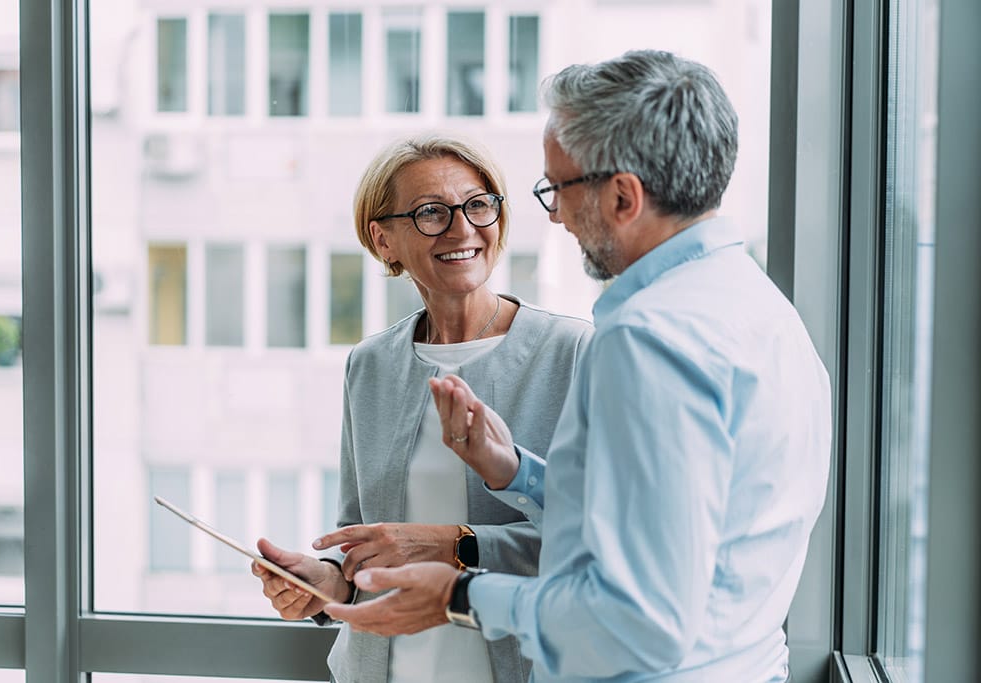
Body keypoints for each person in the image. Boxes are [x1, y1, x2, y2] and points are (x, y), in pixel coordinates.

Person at [322, 50, 832, 683]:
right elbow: (659, 522)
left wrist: (456, 596)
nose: (556, 215)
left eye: (559, 188)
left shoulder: (649, 341)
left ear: (622, 196)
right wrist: (516, 475)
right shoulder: (761, 310)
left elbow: (641, 622)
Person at [250, 133, 593, 683]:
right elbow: (363, 533)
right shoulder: (370, 365)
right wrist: (327, 580)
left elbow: (591, 546)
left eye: (477, 204)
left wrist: (450, 546)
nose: (462, 228)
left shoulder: (573, 353)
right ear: (383, 239)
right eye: (431, 212)